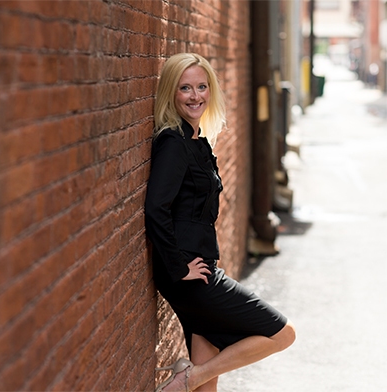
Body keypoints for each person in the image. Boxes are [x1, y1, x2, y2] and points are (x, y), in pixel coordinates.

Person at [145, 53, 295, 392]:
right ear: (171, 92)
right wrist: (178, 266)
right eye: (185, 88)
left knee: (208, 380)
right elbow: (156, 208)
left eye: (202, 86)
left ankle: (194, 375)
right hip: (191, 276)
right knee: (282, 333)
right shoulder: (173, 143)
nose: (195, 96)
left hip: (200, 267)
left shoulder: (196, 141)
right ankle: (188, 377)